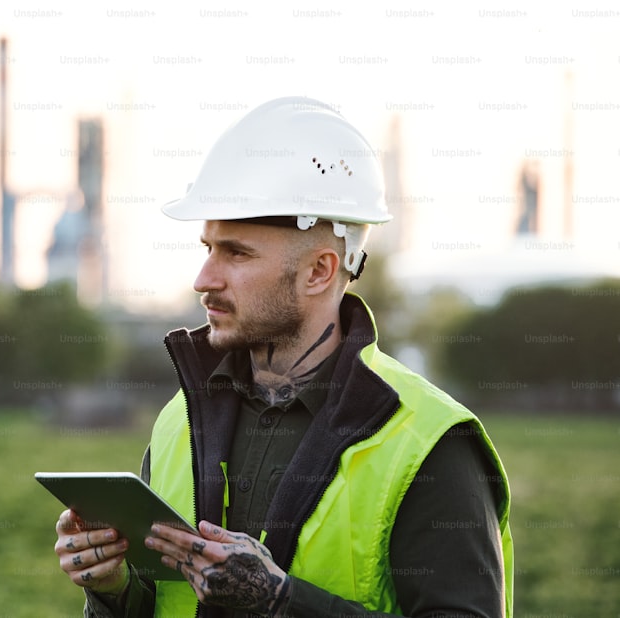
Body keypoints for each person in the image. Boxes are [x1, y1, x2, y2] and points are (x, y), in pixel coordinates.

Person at [53, 97, 513, 617]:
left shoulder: (429, 444)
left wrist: (281, 602)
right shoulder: (179, 422)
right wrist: (111, 588)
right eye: (208, 248)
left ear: (319, 271)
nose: (205, 279)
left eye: (237, 253)